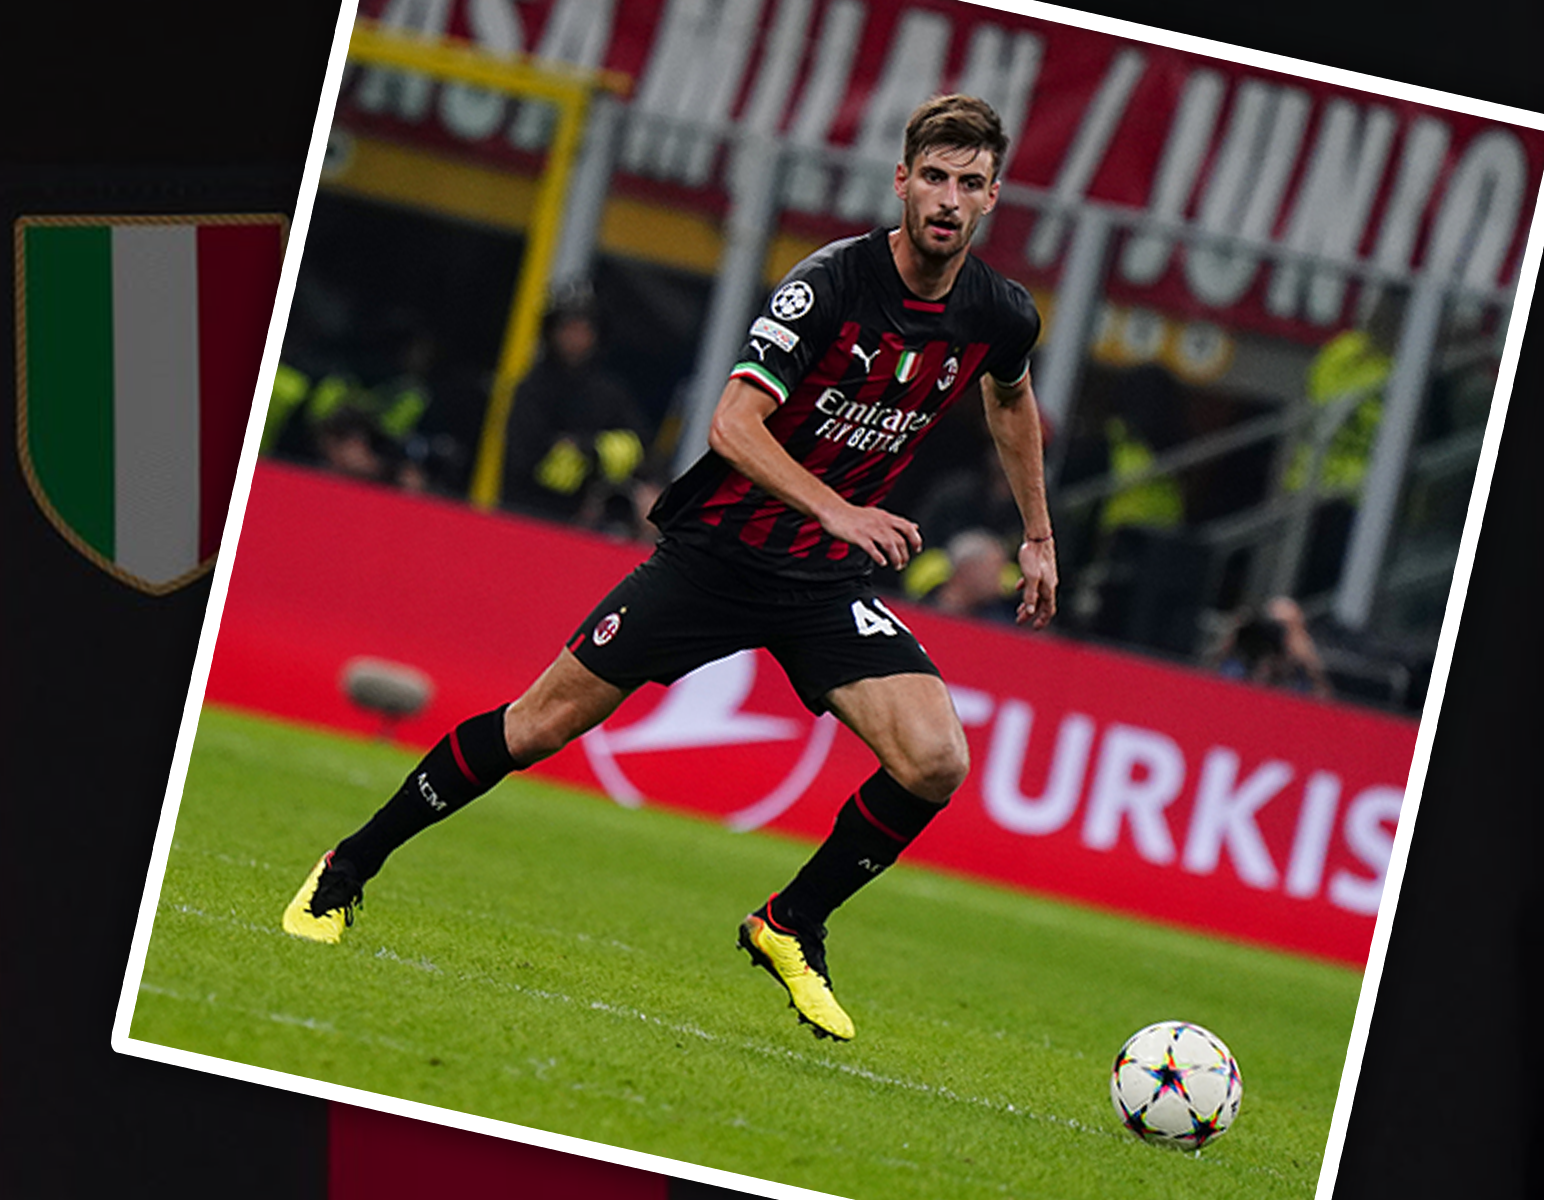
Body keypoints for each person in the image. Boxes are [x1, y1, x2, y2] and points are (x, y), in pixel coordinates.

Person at [280, 94, 1058, 1044]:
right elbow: (731, 425)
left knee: (936, 760)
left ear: (992, 198)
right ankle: (343, 870)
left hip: (820, 583)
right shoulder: (829, 286)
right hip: (717, 559)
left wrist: (1038, 535)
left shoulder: (1000, 312)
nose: (947, 199)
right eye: (932, 177)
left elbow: (1011, 400)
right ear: (901, 181)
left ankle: (790, 924)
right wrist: (838, 508)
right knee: (536, 727)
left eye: (968, 184)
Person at [499, 292, 650, 525]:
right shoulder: (533, 389)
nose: (576, 338)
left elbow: (637, 448)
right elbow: (524, 458)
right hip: (528, 514)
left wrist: (585, 449)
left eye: (584, 330)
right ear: (552, 332)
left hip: (594, 523)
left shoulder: (609, 394)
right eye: (568, 328)